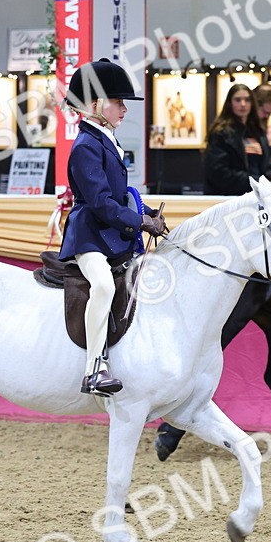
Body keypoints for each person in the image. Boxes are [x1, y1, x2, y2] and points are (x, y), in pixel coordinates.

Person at [59, 58, 165, 396]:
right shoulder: (86, 147)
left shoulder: (107, 140)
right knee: (103, 285)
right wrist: (139, 222)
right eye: (118, 102)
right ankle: (94, 368)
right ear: (94, 105)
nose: (124, 109)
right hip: (89, 236)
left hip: (109, 233)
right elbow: (102, 203)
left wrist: (147, 212)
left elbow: (121, 196)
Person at [204, 82, 271, 195]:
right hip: (229, 198)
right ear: (230, 103)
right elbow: (218, 173)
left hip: (257, 197)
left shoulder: (258, 132)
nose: (243, 104)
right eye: (237, 100)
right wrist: (254, 181)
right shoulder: (221, 133)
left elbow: (265, 166)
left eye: (247, 100)